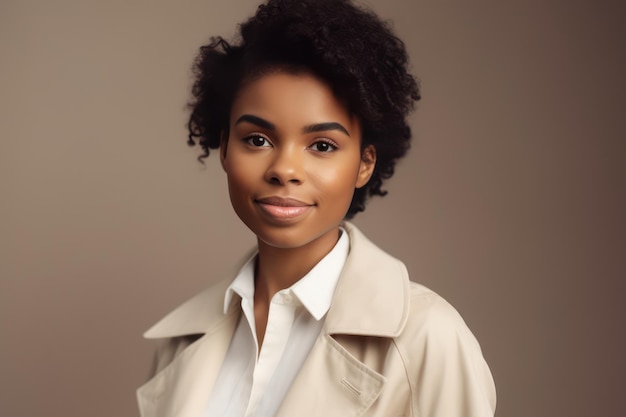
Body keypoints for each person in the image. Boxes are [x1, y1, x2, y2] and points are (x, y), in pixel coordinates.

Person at [136, 0, 496, 416]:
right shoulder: (181, 343)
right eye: (257, 139)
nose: (284, 170)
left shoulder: (428, 338)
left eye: (322, 146)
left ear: (365, 163)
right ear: (224, 148)